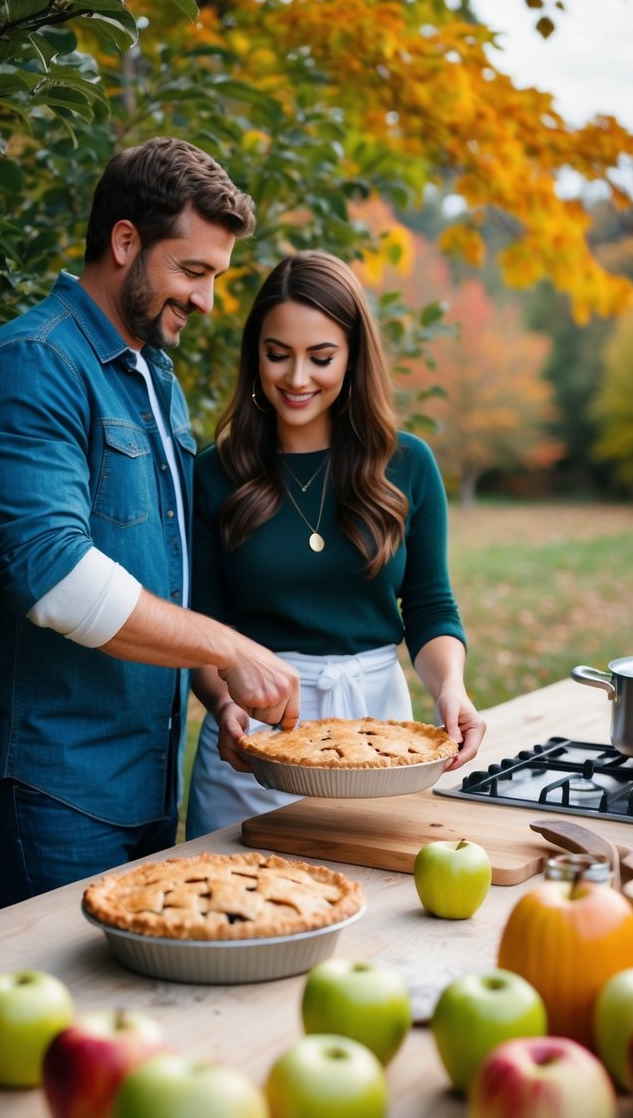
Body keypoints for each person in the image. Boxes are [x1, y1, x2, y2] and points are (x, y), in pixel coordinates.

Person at [0, 137, 300, 913]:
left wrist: (214, 686)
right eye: (193, 271)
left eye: (216, 277)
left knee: (120, 1026)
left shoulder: (151, 375)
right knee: (57, 1021)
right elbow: (55, 579)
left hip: (141, 782)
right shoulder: (32, 363)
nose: (206, 301)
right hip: (50, 785)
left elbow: (152, 570)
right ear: (125, 241)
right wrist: (229, 646)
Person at [186, 250, 485, 838]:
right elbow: (203, 630)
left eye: (320, 358)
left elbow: (429, 607)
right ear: (255, 357)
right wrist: (226, 707)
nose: (297, 380)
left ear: (352, 358)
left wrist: (452, 688)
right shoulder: (214, 474)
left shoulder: (408, 465)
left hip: (381, 733)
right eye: (278, 355)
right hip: (258, 735)